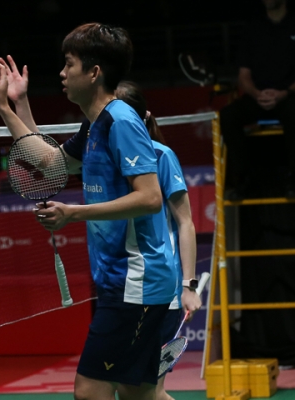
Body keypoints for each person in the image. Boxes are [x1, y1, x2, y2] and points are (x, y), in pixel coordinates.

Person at [0, 22, 177, 400]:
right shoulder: (95, 124)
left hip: (135, 282)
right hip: (124, 280)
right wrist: (11, 107)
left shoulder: (121, 122)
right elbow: (52, 164)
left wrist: (73, 213)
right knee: (139, 395)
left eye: (69, 63)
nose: (62, 72)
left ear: (94, 73)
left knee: (90, 391)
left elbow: (150, 198)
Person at [115, 80, 202, 400]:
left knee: (145, 391)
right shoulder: (105, 158)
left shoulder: (161, 155)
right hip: (121, 285)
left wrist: (188, 286)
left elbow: (185, 223)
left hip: (158, 288)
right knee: (130, 391)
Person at [220, 0, 295, 199]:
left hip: (289, 95)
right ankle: (244, 182)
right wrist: (257, 94)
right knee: (228, 115)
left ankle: (293, 181)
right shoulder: (253, 28)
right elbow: (243, 75)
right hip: (258, 97)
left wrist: (283, 93)